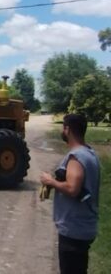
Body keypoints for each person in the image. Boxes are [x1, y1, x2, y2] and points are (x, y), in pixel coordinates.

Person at [40, 113, 101, 274]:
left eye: (63, 127)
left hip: (74, 229)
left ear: (68, 129)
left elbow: (73, 189)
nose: (62, 130)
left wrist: (50, 182)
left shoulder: (76, 156)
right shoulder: (89, 153)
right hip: (83, 226)